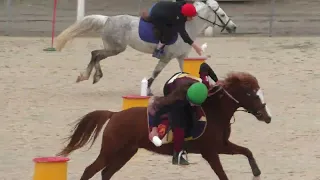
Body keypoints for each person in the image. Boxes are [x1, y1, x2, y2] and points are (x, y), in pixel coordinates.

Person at [148, 82, 208, 165]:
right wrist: (154, 129)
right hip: (168, 110)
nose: (193, 104)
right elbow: (159, 112)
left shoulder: (194, 92)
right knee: (180, 126)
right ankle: (177, 155)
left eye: (195, 103)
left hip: (185, 105)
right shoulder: (177, 102)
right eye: (192, 102)